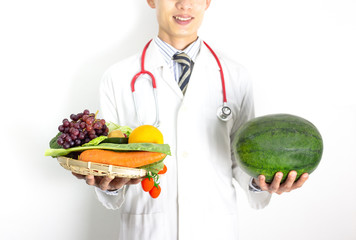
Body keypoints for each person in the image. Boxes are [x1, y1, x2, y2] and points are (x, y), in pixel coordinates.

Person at [73, 0, 309, 239]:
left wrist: (263, 181)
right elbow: (110, 162)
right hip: (149, 231)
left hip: (214, 230)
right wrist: (111, 187)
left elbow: (243, 161)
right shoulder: (117, 77)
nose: (184, 4)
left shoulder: (236, 77)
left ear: (207, 2)